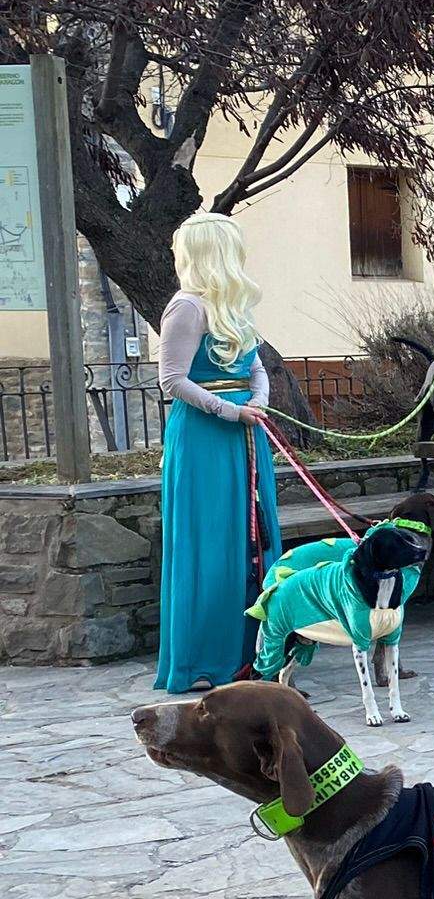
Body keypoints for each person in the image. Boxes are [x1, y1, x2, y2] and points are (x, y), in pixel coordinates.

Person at [154, 212, 281, 693]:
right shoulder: (185, 308)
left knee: (252, 538)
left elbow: (257, 368)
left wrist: (257, 403)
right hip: (206, 439)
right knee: (211, 541)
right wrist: (231, 413)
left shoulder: (234, 306)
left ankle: (254, 653)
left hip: (246, 435)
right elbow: (173, 381)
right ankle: (206, 658)